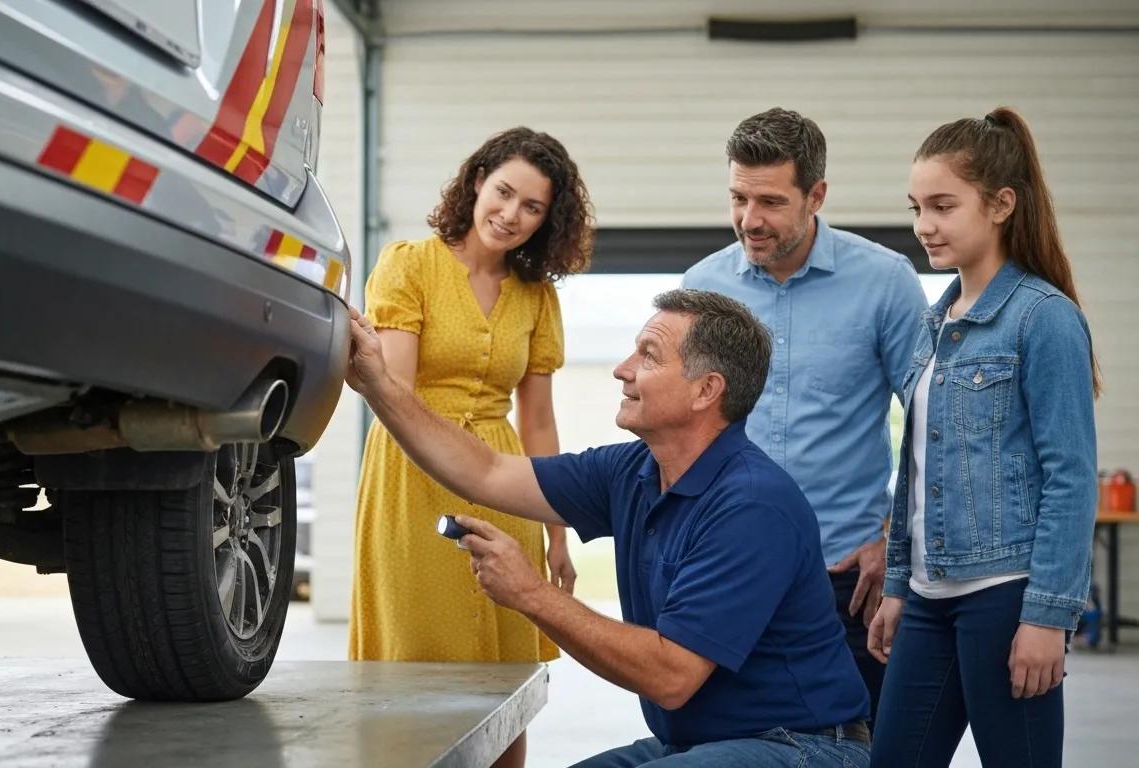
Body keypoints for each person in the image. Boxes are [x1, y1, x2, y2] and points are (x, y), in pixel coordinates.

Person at [346, 289, 872, 767]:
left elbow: (671, 675)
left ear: (706, 390)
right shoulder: (632, 470)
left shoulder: (752, 505)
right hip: (696, 744)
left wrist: (531, 593)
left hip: (801, 746)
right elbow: (486, 471)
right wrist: (378, 384)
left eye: (647, 355)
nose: (622, 369)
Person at [347, 127, 594, 768]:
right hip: (411, 470)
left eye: (532, 207)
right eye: (504, 192)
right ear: (478, 180)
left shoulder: (537, 297)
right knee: (418, 657)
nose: (510, 215)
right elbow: (393, 391)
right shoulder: (409, 265)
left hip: (504, 480)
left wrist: (557, 531)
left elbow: (538, 420)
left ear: (547, 220)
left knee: (503, 665)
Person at [867, 107, 1099, 767]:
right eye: (916, 206)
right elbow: (915, 470)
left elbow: (1071, 476)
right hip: (927, 600)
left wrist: (1049, 616)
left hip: (1007, 594)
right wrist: (897, 584)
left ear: (1001, 204)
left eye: (943, 205)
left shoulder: (1044, 319)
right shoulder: (933, 322)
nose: (923, 225)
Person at [681, 107, 928, 723]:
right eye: (738, 198)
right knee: (724, 750)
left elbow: (934, 425)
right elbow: (678, 430)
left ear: (816, 195)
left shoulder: (885, 282)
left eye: (769, 201)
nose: (749, 219)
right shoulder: (701, 290)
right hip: (726, 568)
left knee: (856, 745)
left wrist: (893, 540)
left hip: (847, 580)